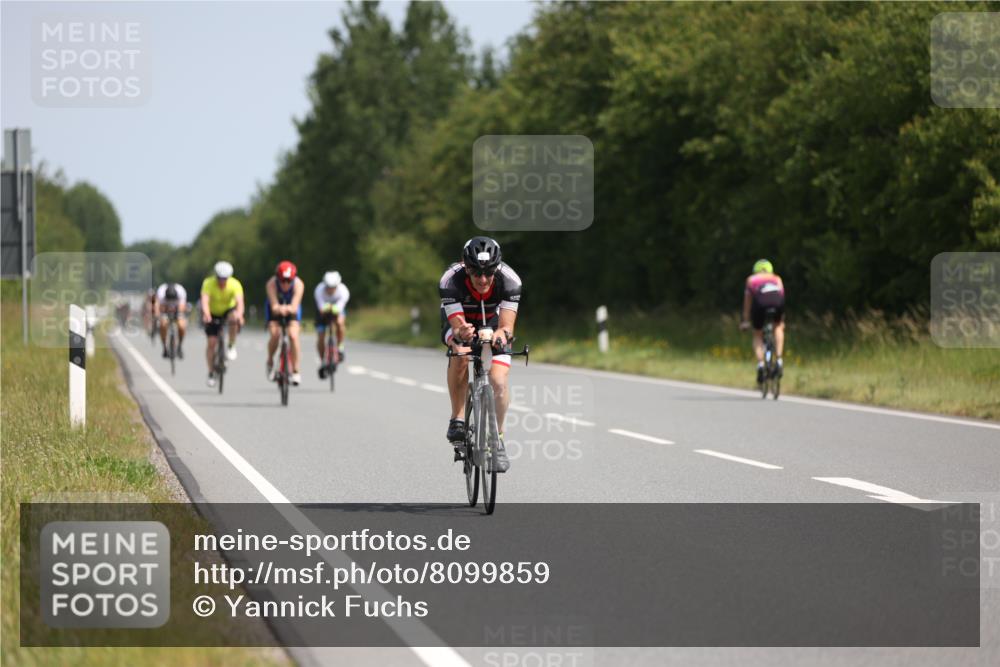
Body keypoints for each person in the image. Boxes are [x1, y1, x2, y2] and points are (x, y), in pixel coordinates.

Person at [440, 236, 521, 472]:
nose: (483, 279)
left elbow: (507, 327)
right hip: (460, 320)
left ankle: (497, 439)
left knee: (498, 380)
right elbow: (456, 326)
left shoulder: (510, 281)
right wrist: (461, 331)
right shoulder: (450, 280)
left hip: (494, 322)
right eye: (476, 273)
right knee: (461, 351)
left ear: (497, 268)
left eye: (488, 273)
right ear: (466, 268)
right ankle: (457, 418)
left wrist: (501, 335)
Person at [740, 259, 786, 384]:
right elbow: (781, 297)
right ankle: (779, 359)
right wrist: (781, 320)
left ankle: (760, 364)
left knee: (757, 333)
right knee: (778, 327)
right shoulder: (776, 278)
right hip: (777, 303)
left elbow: (747, 302)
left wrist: (745, 320)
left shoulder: (751, 279)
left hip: (760, 304)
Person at [200, 261, 245, 387]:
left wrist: (240, 315)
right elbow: (204, 301)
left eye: (224, 279)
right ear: (216, 276)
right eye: (219, 278)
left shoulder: (235, 284)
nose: (222, 281)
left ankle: (231, 345)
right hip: (212, 312)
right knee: (211, 343)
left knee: (234, 317)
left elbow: (240, 303)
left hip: (227, 310)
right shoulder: (208, 283)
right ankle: (210, 372)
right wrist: (206, 314)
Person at [265, 260, 305, 386]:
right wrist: (278, 309)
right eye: (282, 281)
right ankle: (270, 360)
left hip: (291, 308)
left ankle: (296, 370)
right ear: (277, 278)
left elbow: (294, 305)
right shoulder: (271, 284)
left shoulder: (299, 284)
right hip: (275, 309)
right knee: (275, 334)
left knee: (293, 335)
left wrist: (288, 309)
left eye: (289, 281)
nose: (285, 284)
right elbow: (274, 304)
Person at [314, 270, 351, 378]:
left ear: (337, 285)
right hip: (322, 312)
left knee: (340, 322)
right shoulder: (319, 290)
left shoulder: (344, 291)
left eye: (333, 287)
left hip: (337, 310)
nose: (330, 289)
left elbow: (339, 308)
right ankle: (322, 361)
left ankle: (340, 347)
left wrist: (332, 308)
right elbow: (321, 308)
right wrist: (327, 308)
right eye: (328, 287)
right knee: (321, 336)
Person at [154, 281, 188, 358]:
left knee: (182, 326)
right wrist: (157, 314)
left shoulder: (181, 291)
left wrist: (178, 313)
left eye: (173, 300)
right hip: (165, 310)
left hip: (177, 310)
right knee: (163, 325)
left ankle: (179, 346)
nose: (171, 302)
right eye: (169, 300)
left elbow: (182, 306)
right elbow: (158, 306)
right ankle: (164, 347)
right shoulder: (161, 293)